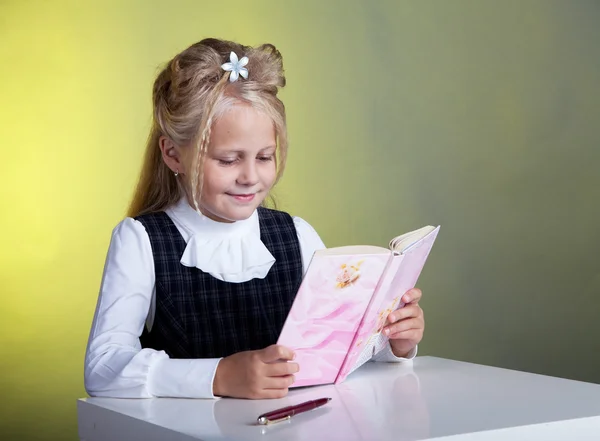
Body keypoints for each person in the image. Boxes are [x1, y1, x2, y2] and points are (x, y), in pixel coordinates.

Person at [84, 38, 425, 400]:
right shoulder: (140, 240)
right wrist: (217, 376)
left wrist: (394, 343)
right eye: (228, 160)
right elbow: (103, 367)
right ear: (172, 154)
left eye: (264, 157)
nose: (250, 176)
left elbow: (337, 350)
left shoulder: (296, 235)